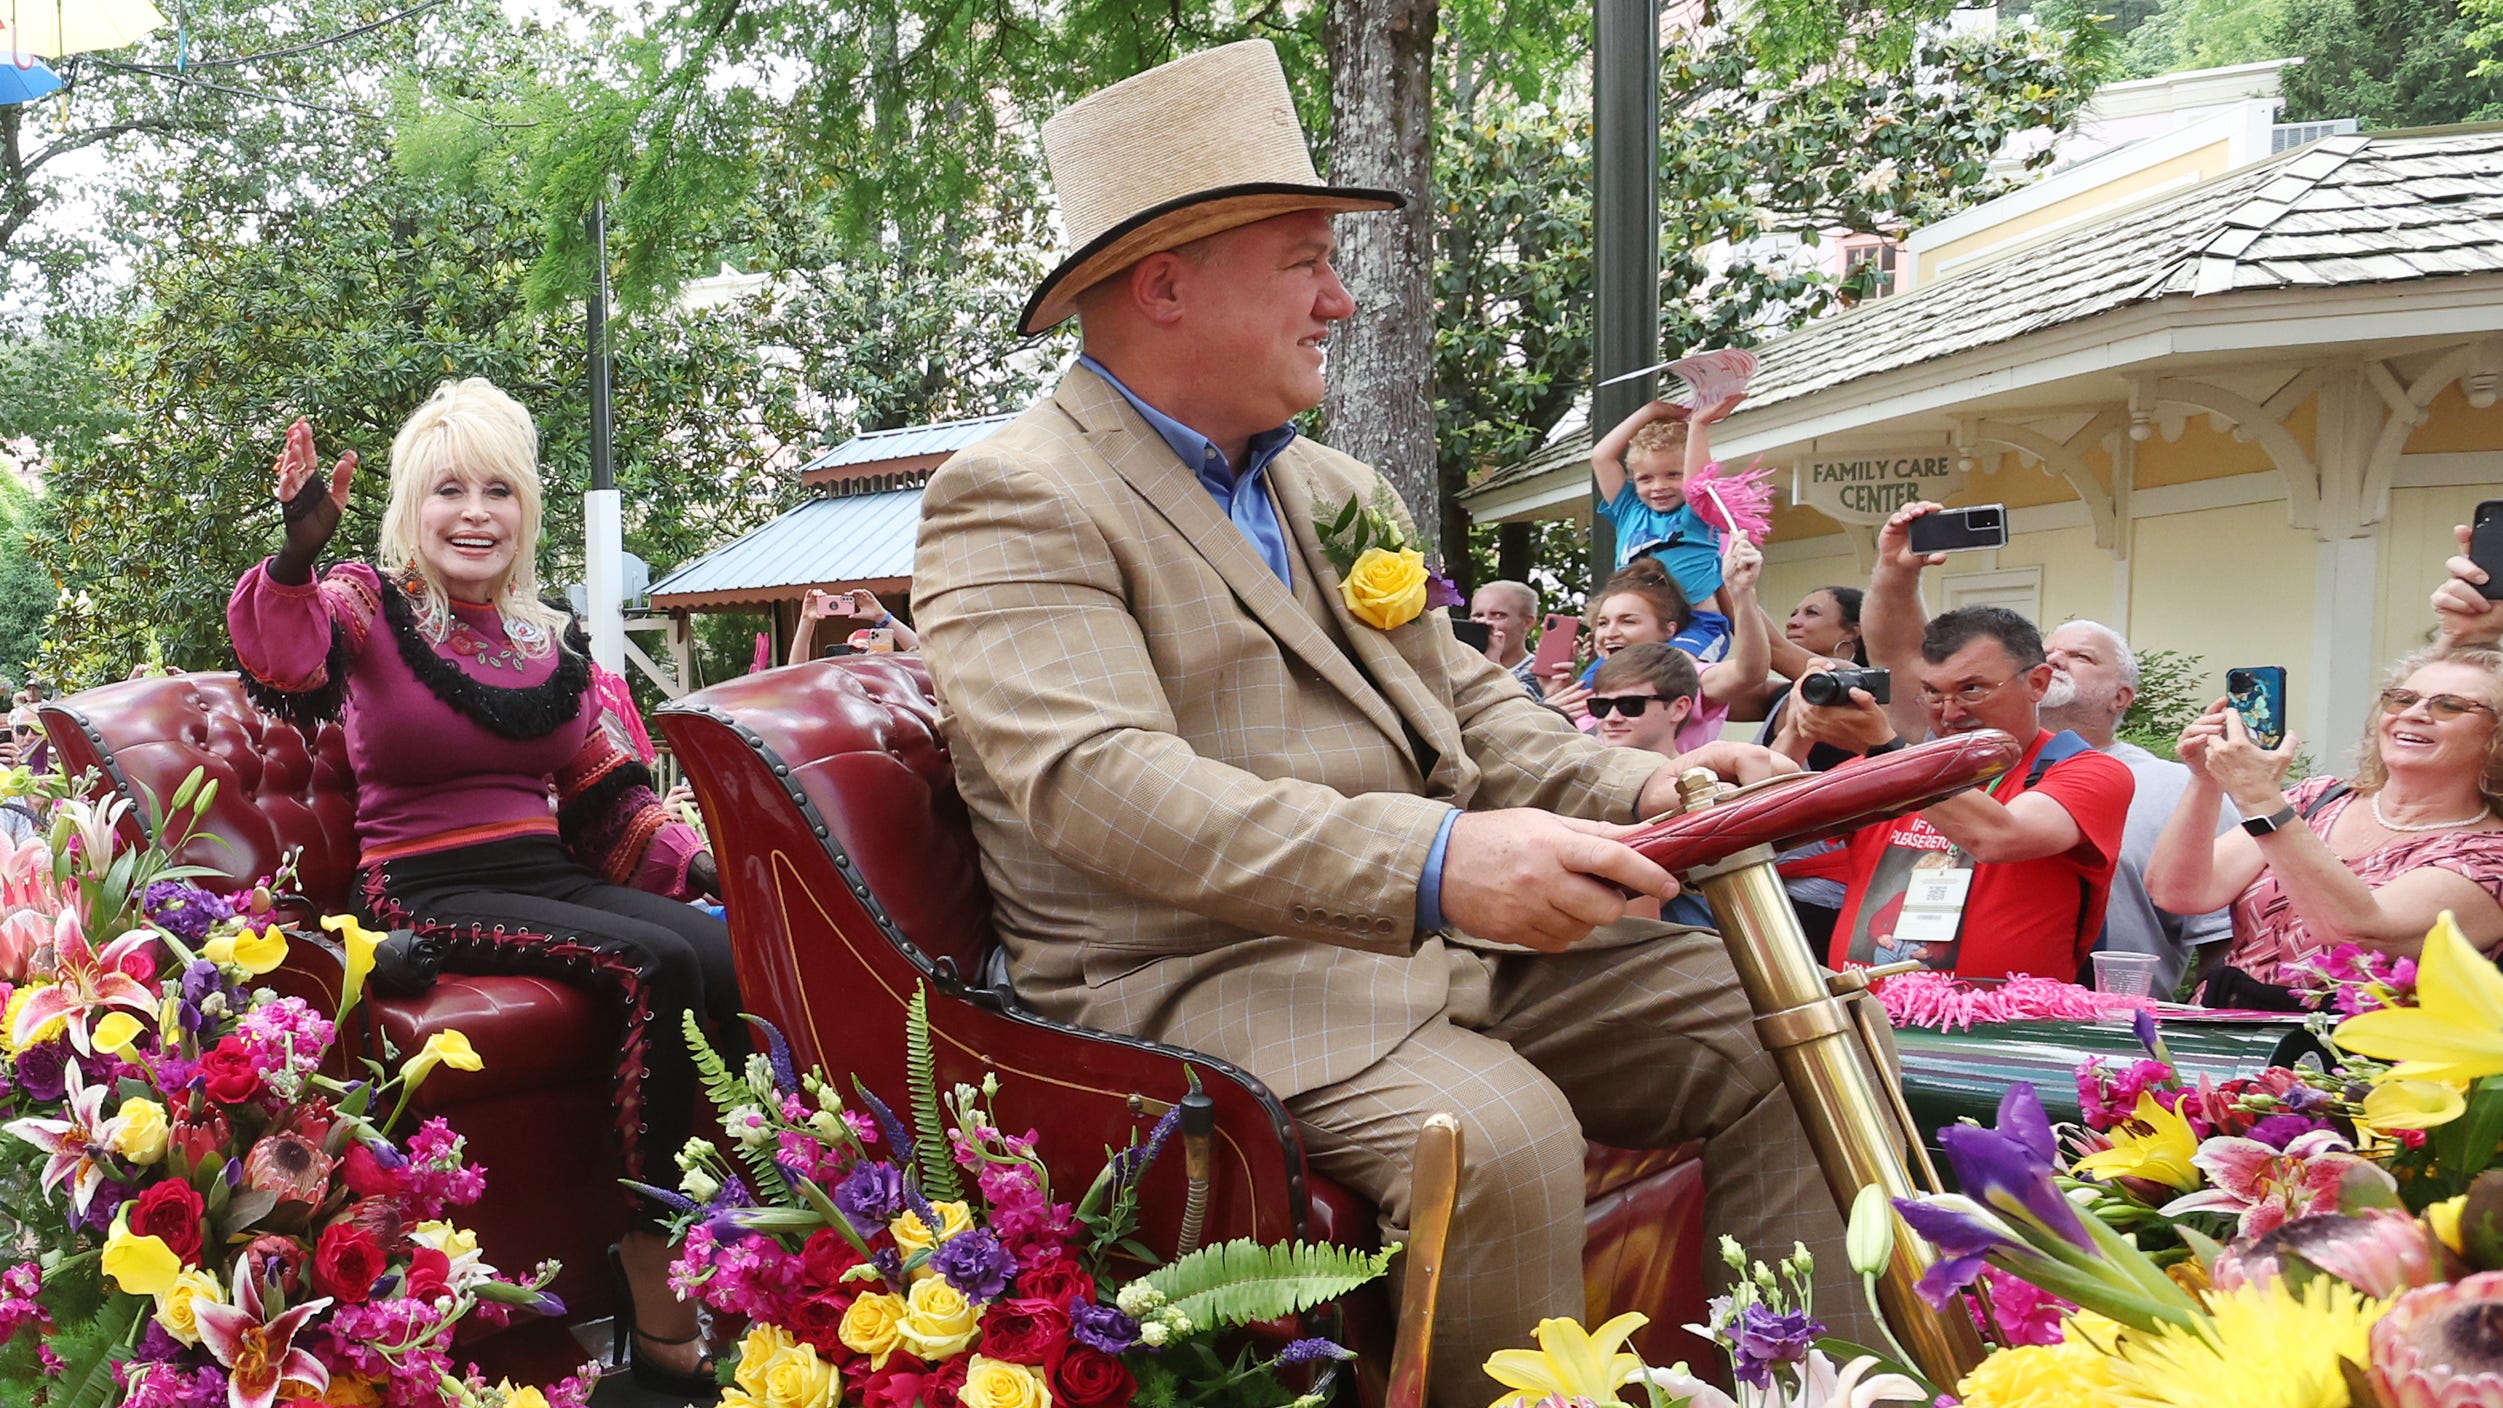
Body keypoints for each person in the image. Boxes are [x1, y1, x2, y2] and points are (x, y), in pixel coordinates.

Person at [908, 40, 1858, 1405]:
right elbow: (1096, 785)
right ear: (1163, 284)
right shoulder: (1014, 496)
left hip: (1435, 942)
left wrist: (1635, 790)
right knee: (1498, 1138)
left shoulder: (1330, 486)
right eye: (1305, 259)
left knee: (1791, 1017)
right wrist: (1434, 862)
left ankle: (1820, 1386)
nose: (1341, 300)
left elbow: (1467, 705)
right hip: (1195, 980)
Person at [226, 380, 738, 1393]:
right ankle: (650, 1258)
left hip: (540, 870)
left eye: (498, 490)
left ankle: (705, 1235)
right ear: (411, 508)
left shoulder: (548, 641)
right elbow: (279, 654)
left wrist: (714, 872)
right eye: (447, 488)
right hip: (423, 885)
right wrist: (296, 553)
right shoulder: (365, 606)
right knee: (653, 960)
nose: (474, 512)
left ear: (524, 512)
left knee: (715, 944)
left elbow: (606, 805)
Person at [1797, 503, 2135, 979]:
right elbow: (1775, 812)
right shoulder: (1901, 762)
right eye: (1932, 693)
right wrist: (1798, 729)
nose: (1950, 712)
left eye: (1972, 689)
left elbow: (2000, 836)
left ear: (2038, 683)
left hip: (1997, 1041)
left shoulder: (2088, 771)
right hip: (1863, 1024)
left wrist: (1883, 752)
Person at [2146, 644, 2503, 986]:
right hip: (2229, 1030)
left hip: (2354, 1045)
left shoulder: (2489, 855)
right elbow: (2178, 893)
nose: (2411, 714)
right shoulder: (2317, 798)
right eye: (2402, 699)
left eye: (2450, 706)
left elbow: (2357, 930)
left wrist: (2259, 798)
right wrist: (2206, 778)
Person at [2033, 621, 2233, 994]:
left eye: (2080, 656)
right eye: (2046, 655)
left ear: (2121, 697)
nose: (2056, 661)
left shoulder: (2184, 788)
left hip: (2118, 1031)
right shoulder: (1985, 775)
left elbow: (2223, 936)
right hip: (1976, 1025)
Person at [1544, 547, 1769, 748]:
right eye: (1602, 623)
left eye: (1628, 621)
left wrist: (1742, 593)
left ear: (1669, 630)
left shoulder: (1684, 676)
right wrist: (1550, 706)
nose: (1610, 633)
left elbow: (1749, 672)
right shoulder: (1587, 691)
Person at [1589, 394, 1744, 642]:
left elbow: (1697, 478)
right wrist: (1651, 410)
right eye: (1645, 478)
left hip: (1696, 626)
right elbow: (1601, 456)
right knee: (1595, 681)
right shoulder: (1630, 509)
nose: (1658, 486)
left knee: (1672, 672)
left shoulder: (1695, 513)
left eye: (1673, 475)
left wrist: (1698, 425)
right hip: (1639, 631)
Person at [786, 586, 920, 666]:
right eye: (855, 651)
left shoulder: (898, 678)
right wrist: (806, 620)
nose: (861, 656)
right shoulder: (840, 681)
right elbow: (795, 675)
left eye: (864, 650)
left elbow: (926, 657)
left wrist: (883, 616)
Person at [1469, 579, 1543, 696]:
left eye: (1498, 615)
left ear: (1527, 623)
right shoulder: (1460, 667)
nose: (1484, 622)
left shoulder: (1538, 675)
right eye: (1478, 615)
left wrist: (1492, 666)